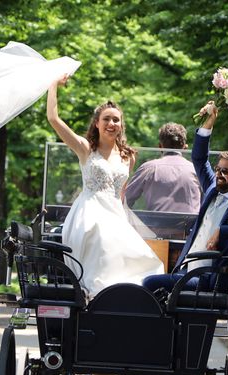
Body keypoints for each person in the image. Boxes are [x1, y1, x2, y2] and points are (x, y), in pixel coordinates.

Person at [46, 74, 164, 298]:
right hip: (90, 212)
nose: (112, 124)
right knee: (101, 238)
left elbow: (121, 195)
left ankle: (124, 300)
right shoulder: (85, 148)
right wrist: (53, 85)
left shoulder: (128, 156)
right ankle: (96, 295)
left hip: (115, 214)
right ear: (97, 123)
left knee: (144, 259)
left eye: (116, 120)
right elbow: (53, 118)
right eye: (107, 119)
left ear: (121, 125)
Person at [143, 101, 228, 293]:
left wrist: (223, 231)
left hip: (208, 279)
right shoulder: (212, 188)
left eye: (225, 171)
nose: (219, 174)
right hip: (186, 270)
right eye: (218, 169)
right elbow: (199, 158)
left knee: (149, 283)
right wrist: (209, 121)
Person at [124, 122, 201, 213]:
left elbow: (125, 199)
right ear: (185, 147)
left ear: (160, 146)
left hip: (153, 226)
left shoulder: (148, 168)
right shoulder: (196, 170)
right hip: (191, 226)